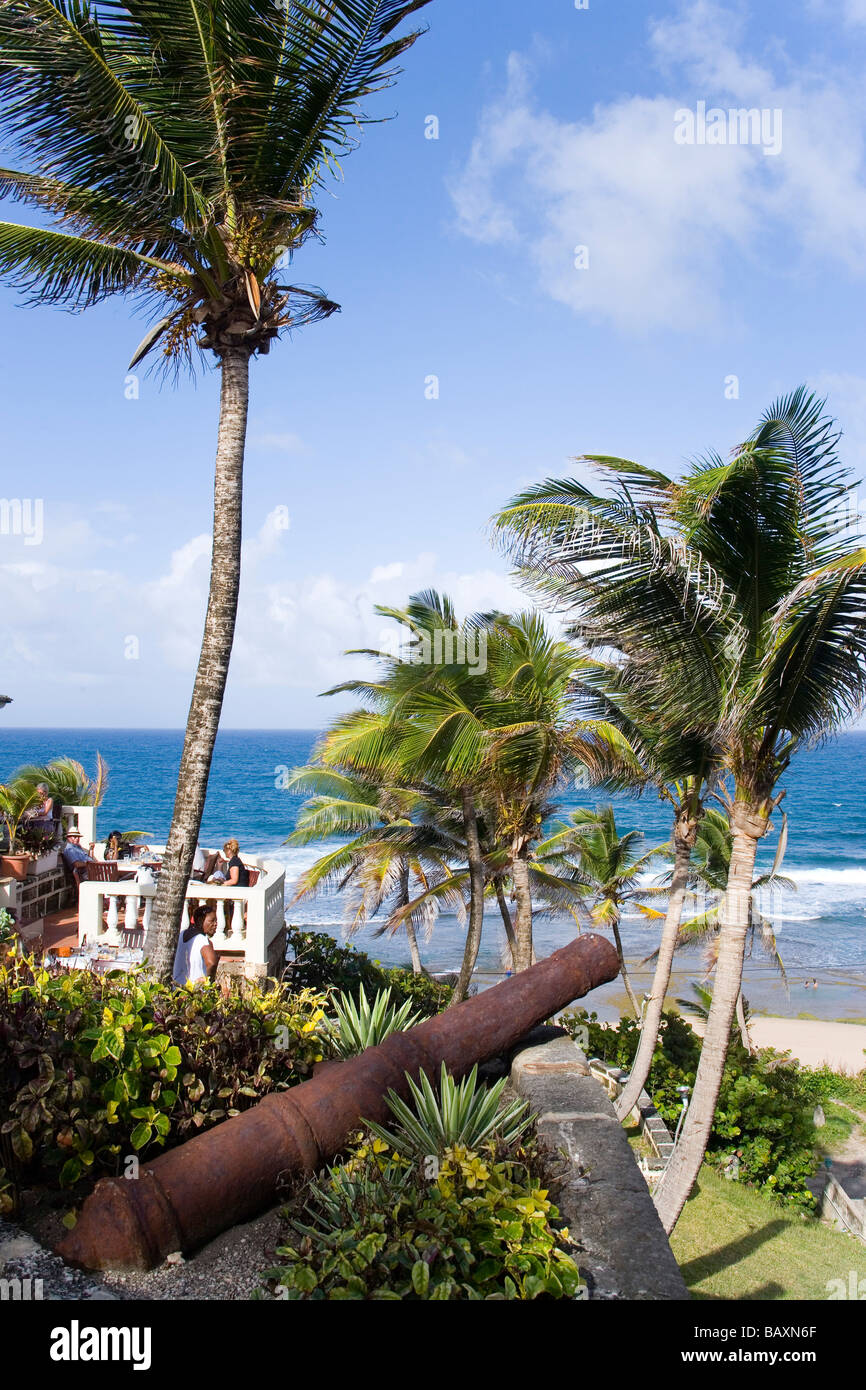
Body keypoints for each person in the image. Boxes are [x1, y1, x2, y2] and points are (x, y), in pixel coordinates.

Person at [172, 903, 219, 987]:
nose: (215, 924)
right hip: (195, 990)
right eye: (212, 921)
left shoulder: (182, 934)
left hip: (178, 988)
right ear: (201, 921)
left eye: (216, 921)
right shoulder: (202, 939)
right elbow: (212, 962)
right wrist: (208, 983)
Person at [61, 827, 97, 891]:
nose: (77, 838)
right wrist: (90, 864)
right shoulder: (70, 849)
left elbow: (88, 858)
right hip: (84, 873)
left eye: (78, 837)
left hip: (90, 870)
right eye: (74, 837)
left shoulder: (78, 847)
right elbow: (77, 864)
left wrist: (91, 849)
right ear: (69, 838)